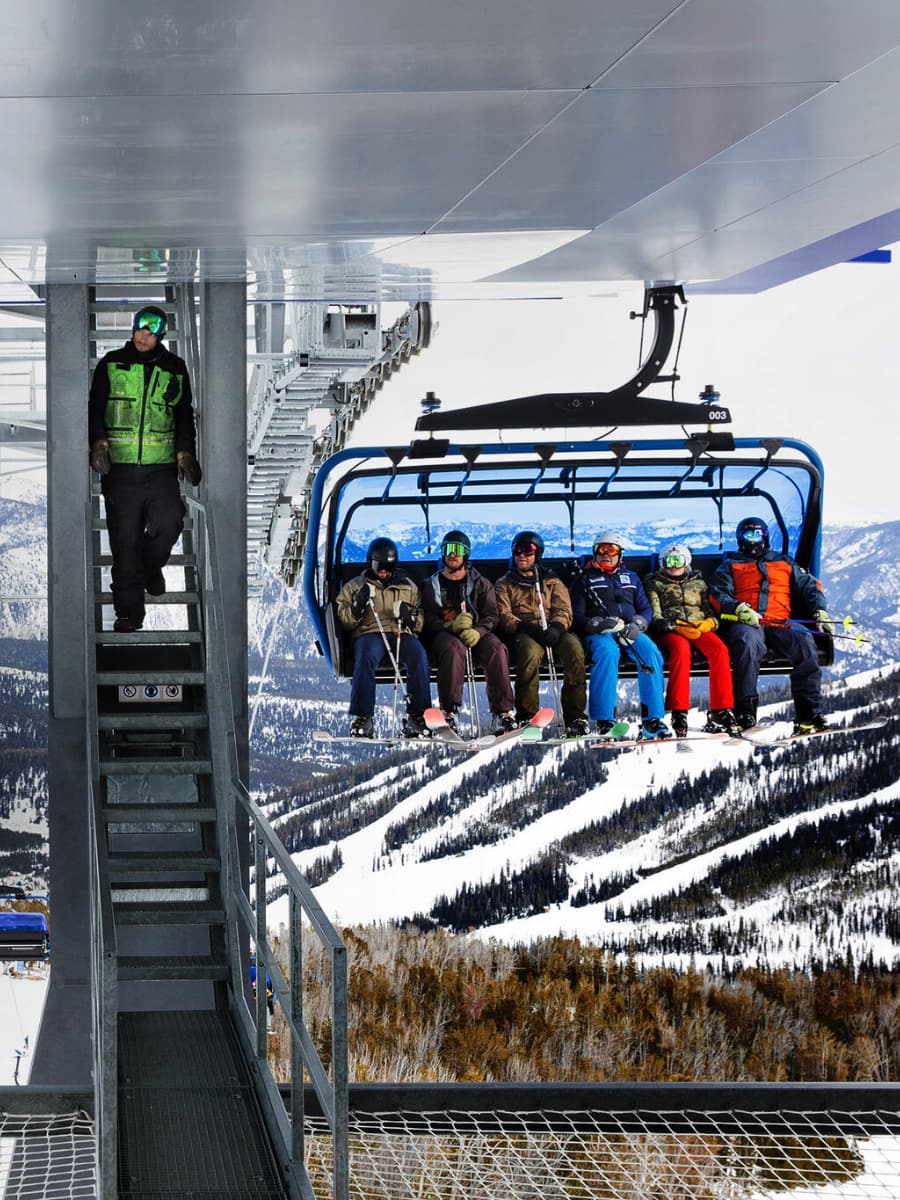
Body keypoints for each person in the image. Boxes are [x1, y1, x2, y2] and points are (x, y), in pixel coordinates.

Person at [89, 305, 202, 633]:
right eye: (139, 329)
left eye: (150, 333)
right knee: (124, 542)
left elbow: (183, 414)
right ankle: (129, 614)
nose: (142, 336)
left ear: (160, 336)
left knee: (170, 523)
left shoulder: (175, 369)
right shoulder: (112, 364)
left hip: (161, 470)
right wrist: (98, 442)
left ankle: (150, 565)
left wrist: (184, 453)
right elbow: (95, 407)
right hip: (120, 472)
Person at [709, 517, 832, 735]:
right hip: (748, 621)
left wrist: (819, 611)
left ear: (765, 537)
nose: (753, 540)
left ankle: (809, 712)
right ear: (740, 538)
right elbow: (717, 594)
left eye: (757, 535)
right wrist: (737, 608)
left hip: (779, 621)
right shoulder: (731, 565)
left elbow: (810, 587)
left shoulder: (784, 563)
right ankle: (745, 710)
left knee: (804, 642)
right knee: (747, 644)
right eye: (748, 535)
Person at [570, 532, 671, 740]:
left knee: (650, 652)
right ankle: (605, 718)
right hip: (600, 633)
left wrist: (638, 624)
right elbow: (576, 614)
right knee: (608, 654)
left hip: (628, 629)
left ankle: (652, 719)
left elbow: (646, 608)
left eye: (612, 550)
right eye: (601, 550)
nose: (606, 554)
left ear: (620, 554)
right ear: (594, 552)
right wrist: (594, 624)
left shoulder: (631, 578)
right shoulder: (584, 579)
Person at [336, 536, 432, 738]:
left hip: (400, 632)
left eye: (387, 567)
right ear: (370, 563)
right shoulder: (355, 587)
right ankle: (363, 717)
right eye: (378, 566)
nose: (383, 571)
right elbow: (343, 620)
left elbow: (421, 619)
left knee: (418, 654)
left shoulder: (408, 587)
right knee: (366, 655)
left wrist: (410, 619)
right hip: (370, 633)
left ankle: (418, 714)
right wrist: (358, 607)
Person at [421, 531, 517, 734]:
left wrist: (479, 631)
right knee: (453, 649)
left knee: (496, 649)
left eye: (457, 550)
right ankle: (449, 710)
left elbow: (492, 615)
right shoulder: (432, 585)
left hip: (476, 631)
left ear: (466, 554)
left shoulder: (480, 584)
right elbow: (427, 617)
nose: (452, 555)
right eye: (448, 549)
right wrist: (448, 626)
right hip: (445, 634)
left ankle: (503, 712)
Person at [494, 531, 589, 737]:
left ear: (537, 555)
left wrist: (557, 627)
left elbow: (564, 609)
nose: (522, 556)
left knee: (574, 651)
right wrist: (524, 626)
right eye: (517, 551)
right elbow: (504, 614)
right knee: (530, 653)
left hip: (553, 628)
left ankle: (575, 716)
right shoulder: (505, 584)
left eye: (528, 551)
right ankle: (527, 713)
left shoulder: (551, 581)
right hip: (525, 631)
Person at [644, 542, 737, 737]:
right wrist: (667, 624)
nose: (674, 565)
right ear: (662, 563)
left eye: (679, 560)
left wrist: (710, 623)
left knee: (719, 650)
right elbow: (655, 613)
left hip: (697, 626)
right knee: (681, 651)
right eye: (669, 561)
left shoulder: (699, 584)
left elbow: (711, 611)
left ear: (688, 562)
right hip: (673, 628)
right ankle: (679, 710)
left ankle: (722, 707)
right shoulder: (655, 584)